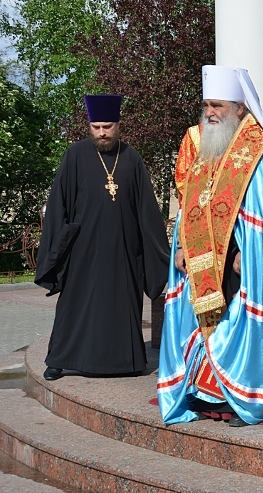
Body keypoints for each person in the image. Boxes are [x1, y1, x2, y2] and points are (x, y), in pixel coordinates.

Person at [157, 66, 263, 427]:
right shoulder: (208, 143)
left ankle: (248, 393)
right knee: (210, 327)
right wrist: (184, 247)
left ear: (239, 107)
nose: (210, 113)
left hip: (243, 264)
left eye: (217, 105)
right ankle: (210, 395)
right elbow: (192, 202)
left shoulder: (259, 151)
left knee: (240, 325)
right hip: (208, 260)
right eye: (206, 105)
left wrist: (244, 255)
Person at [36, 94, 169, 381]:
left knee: (121, 306)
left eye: (107, 126)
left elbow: (147, 210)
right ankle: (60, 360)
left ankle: (125, 361)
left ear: (118, 125)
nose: (102, 133)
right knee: (75, 306)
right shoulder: (75, 155)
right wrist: (56, 251)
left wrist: (159, 253)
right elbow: (58, 205)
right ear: (90, 126)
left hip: (123, 250)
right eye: (96, 127)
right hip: (82, 249)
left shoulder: (131, 157)